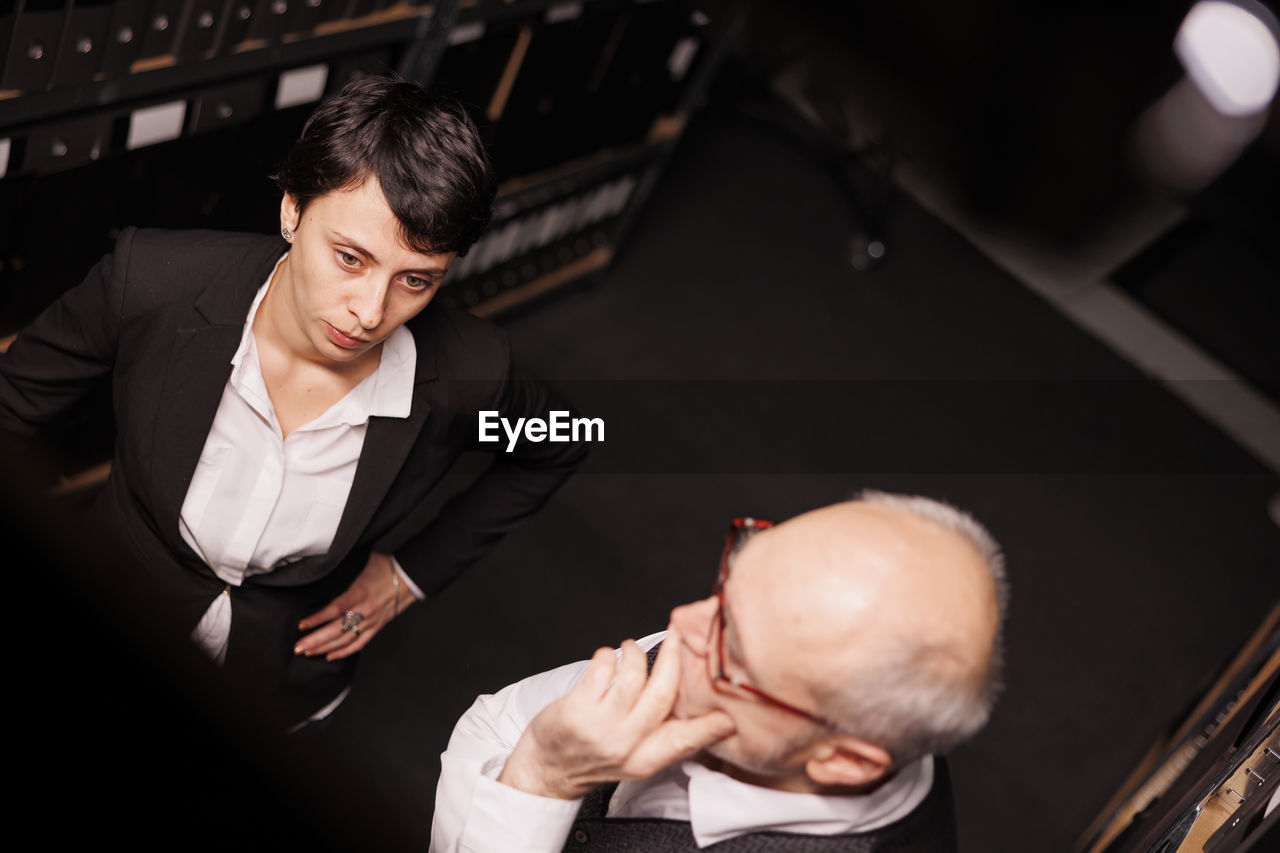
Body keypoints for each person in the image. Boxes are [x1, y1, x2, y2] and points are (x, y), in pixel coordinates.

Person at [0, 75, 587, 725]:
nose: (369, 312)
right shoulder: (151, 281)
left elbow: (569, 438)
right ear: (291, 211)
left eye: (415, 280)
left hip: (280, 681)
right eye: (350, 257)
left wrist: (408, 574)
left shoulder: (469, 369)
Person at [431, 491, 1008, 852]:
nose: (683, 622)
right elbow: (494, 721)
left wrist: (543, 779)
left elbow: (512, 746)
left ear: (844, 759)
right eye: (738, 575)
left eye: (735, 647)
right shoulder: (795, 661)